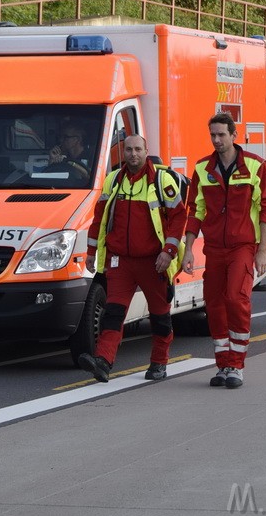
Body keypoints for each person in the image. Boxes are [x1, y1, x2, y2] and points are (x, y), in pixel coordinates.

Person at [78, 134, 187, 383]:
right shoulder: (113, 181)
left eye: (138, 149)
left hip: (153, 262)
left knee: (160, 316)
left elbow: (179, 217)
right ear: (122, 152)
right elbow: (99, 219)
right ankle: (103, 361)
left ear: (146, 150)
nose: (133, 154)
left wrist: (168, 252)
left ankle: (159, 362)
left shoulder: (162, 180)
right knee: (113, 312)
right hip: (121, 262)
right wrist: (92, 253)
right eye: (128, 149)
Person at [182, 113, 266, 390]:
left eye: (222, 134)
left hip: (243, 247)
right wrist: (188, 251)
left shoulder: (255, 167)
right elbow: (195, 212)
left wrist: (263, 251)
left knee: (236, 297)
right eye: (213, 135)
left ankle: (236, 364)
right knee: (214, 303)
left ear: (234, 135)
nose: (217, 140)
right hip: (214, 249)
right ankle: (222, 363)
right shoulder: (202, 169)